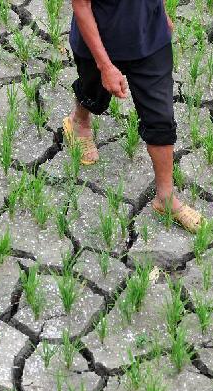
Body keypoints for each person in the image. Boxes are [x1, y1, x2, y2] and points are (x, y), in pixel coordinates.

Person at [64, 0, 203, 233]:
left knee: (160, 118)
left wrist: (162, 12)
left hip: (150, 38)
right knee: (92, 95)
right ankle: (79, 121)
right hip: (100, 42)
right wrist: (106, 66)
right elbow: (82, 6)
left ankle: (165, 198)